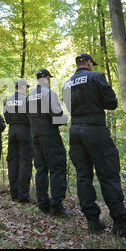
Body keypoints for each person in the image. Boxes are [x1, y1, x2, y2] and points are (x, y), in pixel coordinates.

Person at [63, 53, 126, 240]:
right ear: (89, 63)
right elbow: (112, 103)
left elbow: (69, 106)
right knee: (108, 174)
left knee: (83, 176)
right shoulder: (96, 77)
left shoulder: (67, 83)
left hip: (75, 131)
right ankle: (121, 224)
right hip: (95, 130)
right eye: (92, 63)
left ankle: (93, 222)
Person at [27, 69, 71, 216]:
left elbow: (28, 116)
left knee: (41, 170)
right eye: (49, 77)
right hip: (50, 135)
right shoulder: (49, 94)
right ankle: (57, 207)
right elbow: (57, 115)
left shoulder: (29, 96)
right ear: (46, 78)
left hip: (35, 136)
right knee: (57, 169)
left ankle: (43, 203)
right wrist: (65, 119)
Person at [4, 78, 34, 203]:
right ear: (22, 87)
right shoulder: (26, 100)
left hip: (12, 131)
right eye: (26, 87)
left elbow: (6, 117)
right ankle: (23, 195)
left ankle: (14, 193)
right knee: (25, 162)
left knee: (13, 162)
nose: (27, 89)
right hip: (25, 131)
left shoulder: (8, 100)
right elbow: (31, 116)